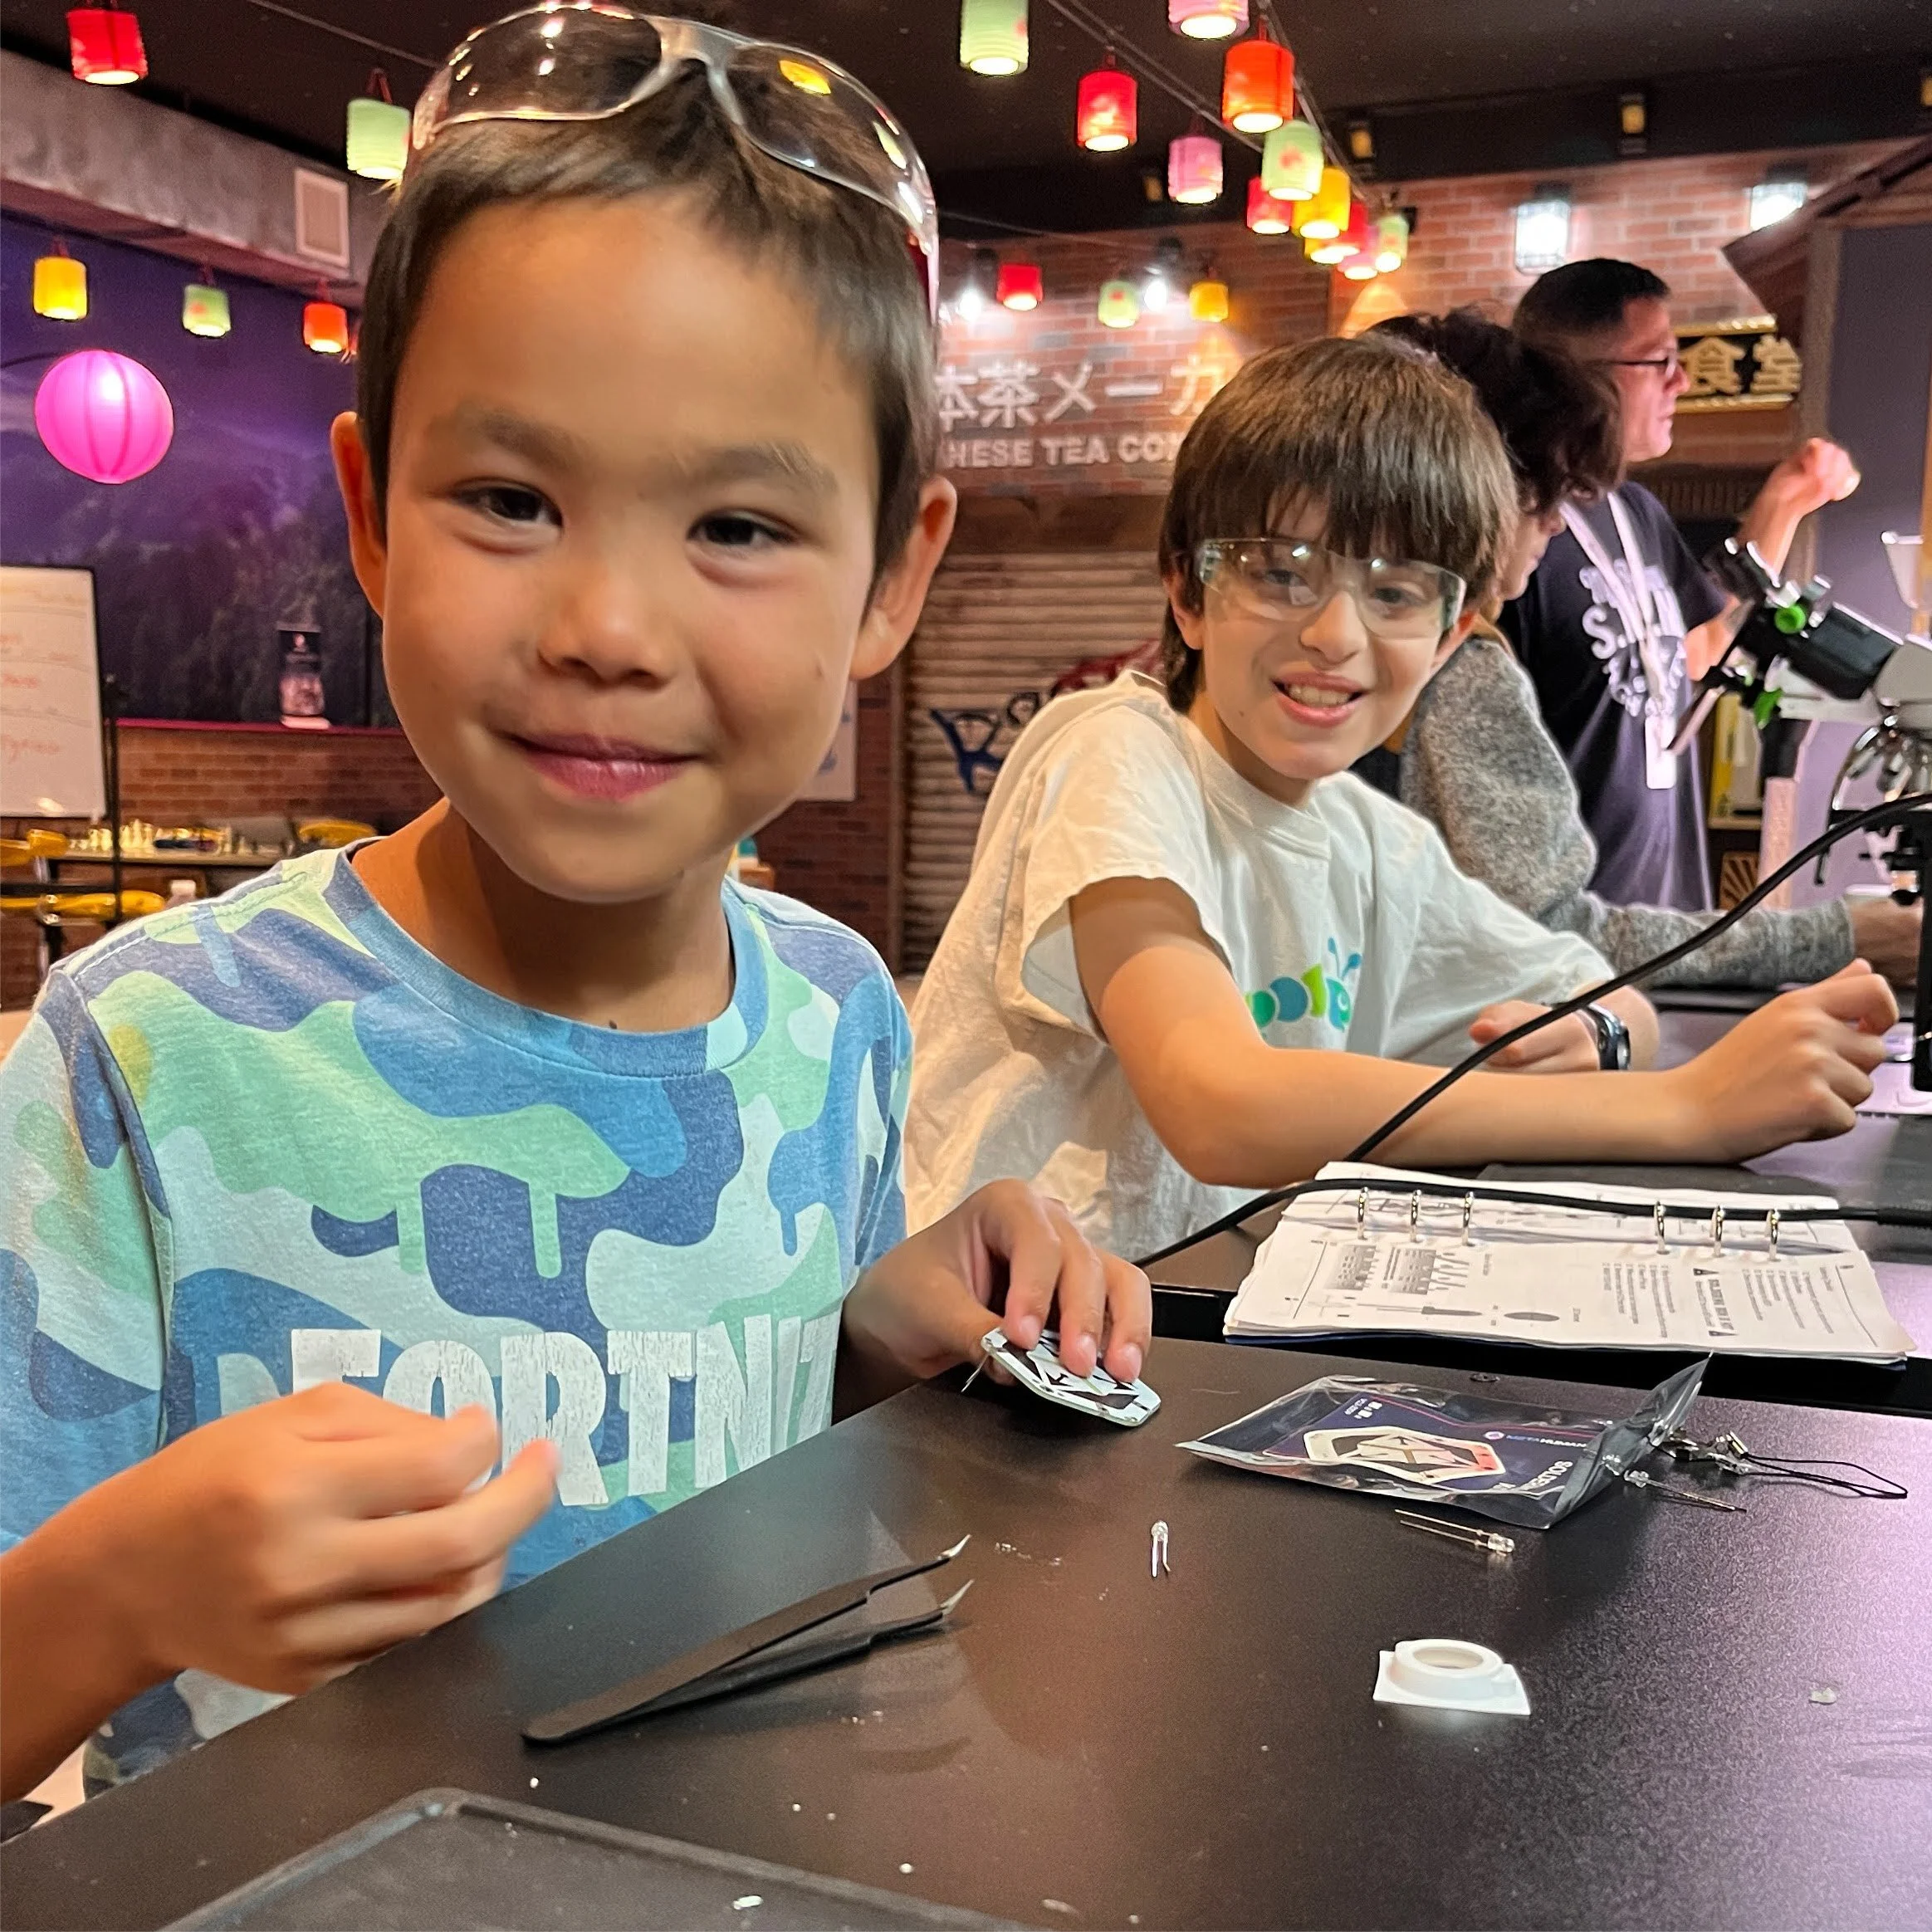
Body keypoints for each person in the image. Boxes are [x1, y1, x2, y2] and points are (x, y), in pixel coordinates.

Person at [0, 11, 1148, 1805]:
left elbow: (762, 1481)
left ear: (892, 573)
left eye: (741, 527)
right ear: (372, 512)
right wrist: (112, 1585)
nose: (606, 625)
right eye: (511, 497)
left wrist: (867, 1335)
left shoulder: (839, 1005)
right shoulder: (148, 1043)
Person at [904, 335, 1895, 1263]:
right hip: (980, 1348)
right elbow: (1218, 1103)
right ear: (1186, 591)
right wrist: (1686, 1108)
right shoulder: (1113, 751)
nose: (1336, 633)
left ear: (1453, 630)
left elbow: (1606, 990)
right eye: (1282, 573)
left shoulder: (1371, 840)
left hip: (1169, 1322)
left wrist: (1595, 1036)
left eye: (1395, 593)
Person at [1360, 309, 1921, 987]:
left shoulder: (1628, 525)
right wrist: (1837, 936)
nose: (1557, 517)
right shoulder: (1459, 664)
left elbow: (1698, 652)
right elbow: (1543, 936)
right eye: (1545, 484)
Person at [1506, 259, 1860, 911]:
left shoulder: (1633, 508)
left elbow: (1698, 651)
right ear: (1575, 374)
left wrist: (1783, 501)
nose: (1682, 380)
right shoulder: (1515, 528)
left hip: (1660, 912)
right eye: (1659, 360)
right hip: (1557, 929)